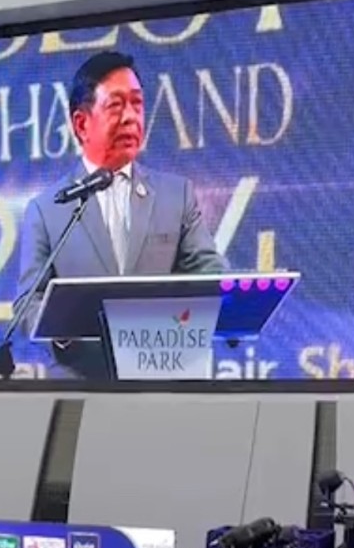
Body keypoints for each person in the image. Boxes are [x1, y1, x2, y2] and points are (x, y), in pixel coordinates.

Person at [17, 50, 227, 379]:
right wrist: (64, 330)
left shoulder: (177, 195)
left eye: (137, 104)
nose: (131, 117)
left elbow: (209, 272)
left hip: (165, 381)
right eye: (116, 105)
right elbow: (28, 303)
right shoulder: (46, 210)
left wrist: (232, 295)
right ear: (81, 124)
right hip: (83, 386)